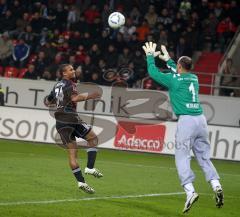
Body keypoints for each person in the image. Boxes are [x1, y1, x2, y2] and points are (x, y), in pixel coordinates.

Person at [142, 42, 224, 213]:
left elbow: (153, 73)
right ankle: (216, 185)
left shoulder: (174, 80)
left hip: (186, 121)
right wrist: (170, 61)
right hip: (201, 120)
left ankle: (190, 191)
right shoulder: (193, 78)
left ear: (180, 66)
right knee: (204, 157)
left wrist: (150, 57)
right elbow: (178, 72)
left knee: (182, 156)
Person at [44, 64, 103, 194]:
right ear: (64, 73)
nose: (74, 70)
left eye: (73, 69)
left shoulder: (57, 86)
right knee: (93, 138)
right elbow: (75, 98)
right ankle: (90, 168)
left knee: (72, 153)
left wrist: (59, 102)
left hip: (60, 122)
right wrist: (90, 95)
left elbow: (47, 101)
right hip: (70, 117)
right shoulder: (70, 84)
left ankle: (81, 182)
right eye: (70, 69)